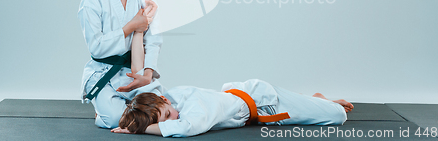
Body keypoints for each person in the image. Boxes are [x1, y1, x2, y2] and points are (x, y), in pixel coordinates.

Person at [78, 0, 164, 129]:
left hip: (136, 72)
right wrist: (130, 26)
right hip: (103, 72)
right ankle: (103, 109)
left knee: (159, 112)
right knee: (119, 119)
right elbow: (96, 47)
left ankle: (133, 97)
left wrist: (147, 75)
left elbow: (153, 41)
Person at [112, 79, 354, 137]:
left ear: (165, 102)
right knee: (307, 110)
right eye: (163, 121)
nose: (170, 119)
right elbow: (148, 101)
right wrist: (130, 122)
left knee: (337, 116)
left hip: (266, 103)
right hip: (251, 105)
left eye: (167, 116)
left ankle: (321, 101)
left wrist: (142, 130)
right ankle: (312, 100)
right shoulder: (169, 99)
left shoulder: (196, 108)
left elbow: (185, 127)